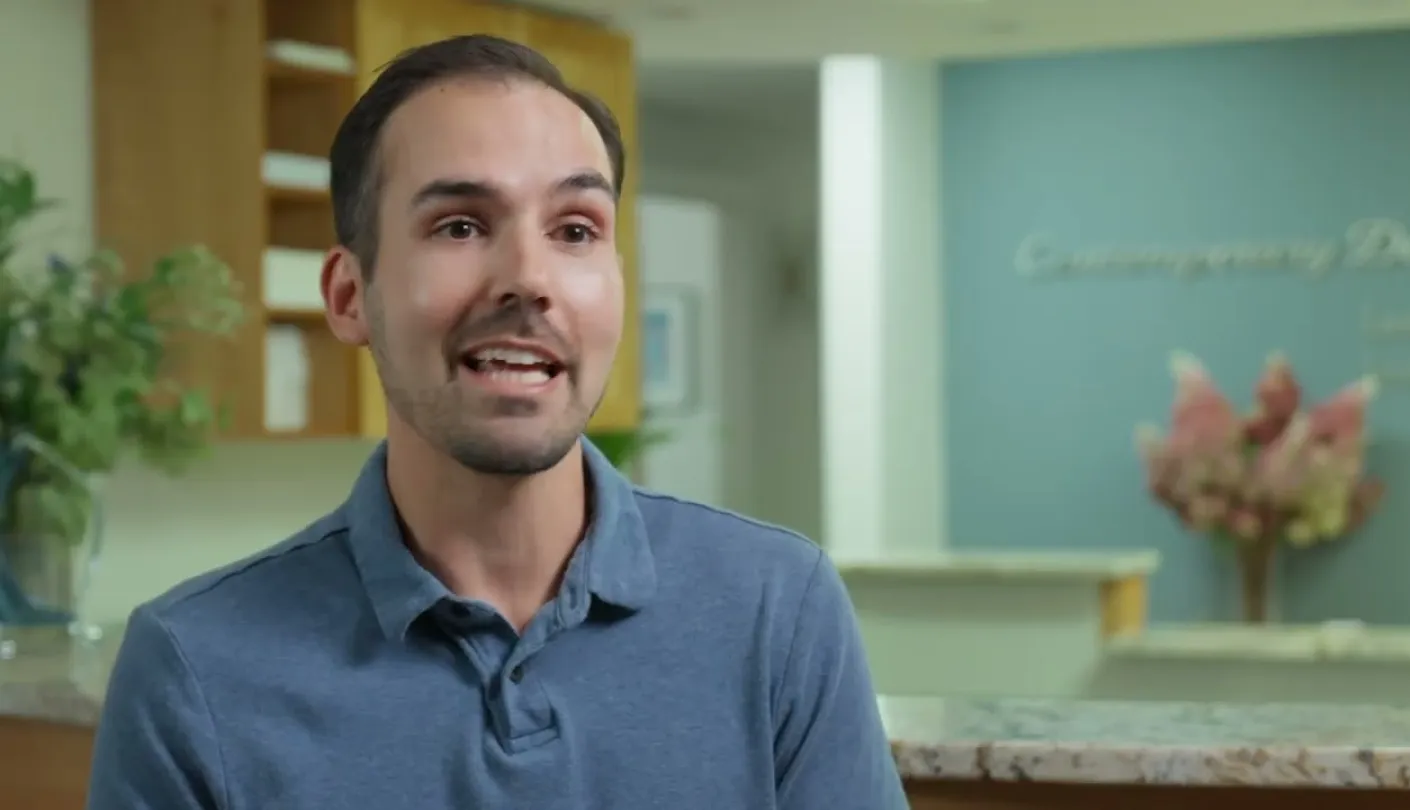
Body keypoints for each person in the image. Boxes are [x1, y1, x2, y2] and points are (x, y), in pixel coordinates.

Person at [86, 35, 905, 809]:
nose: (528, 278)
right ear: (347, 296)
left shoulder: (777, 607)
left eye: (575, 229)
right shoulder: (195, 665)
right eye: (461, 226)